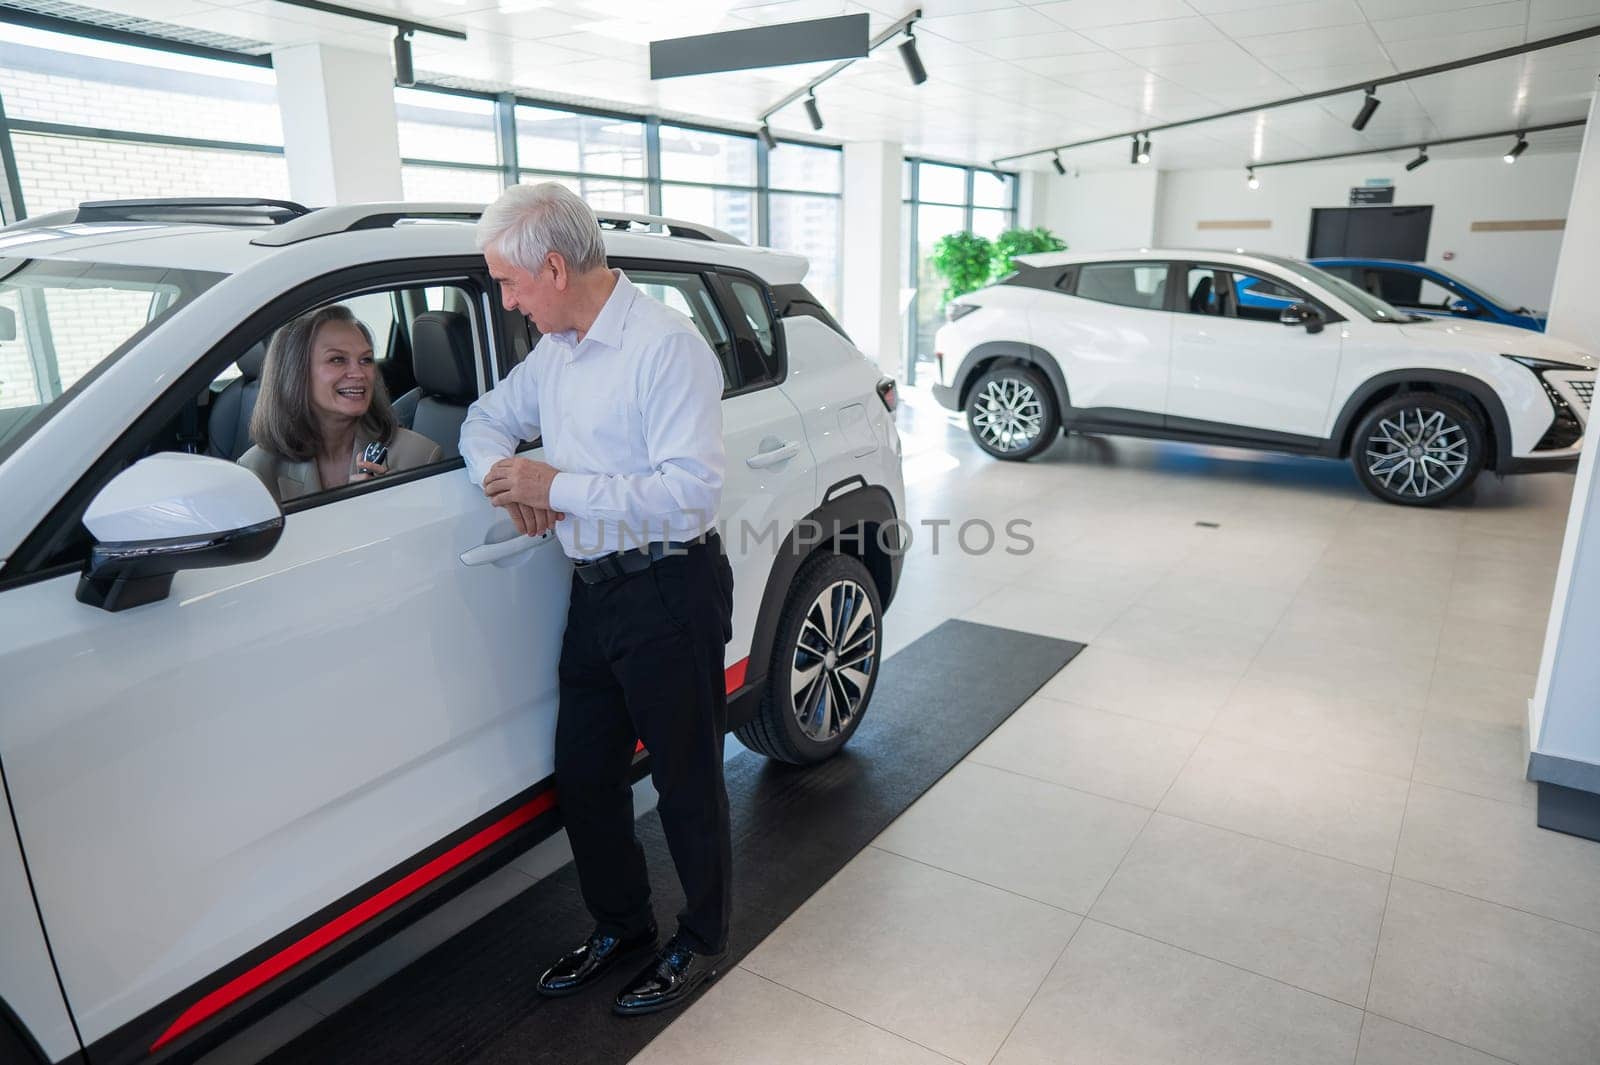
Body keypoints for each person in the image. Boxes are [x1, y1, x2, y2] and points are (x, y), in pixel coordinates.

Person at [458, 182, 734, 1017]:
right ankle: (624, 925)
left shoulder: (665, 348)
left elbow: (690, 493)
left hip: (668, 587)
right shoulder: (557, 353)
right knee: (585, 775)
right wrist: (507, 482)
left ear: (551, 265)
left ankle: (702, 939)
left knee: (687, 782)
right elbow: (482, 419)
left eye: (509, 283)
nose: (505, 302)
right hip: (594, 592)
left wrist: (562, 485)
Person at [240, 305, 441, 502]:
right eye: (337, 359)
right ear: (294, 373)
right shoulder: (256, 470)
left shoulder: (420, 457)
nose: (359, 373)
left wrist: (395, 508)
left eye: (366, 360)